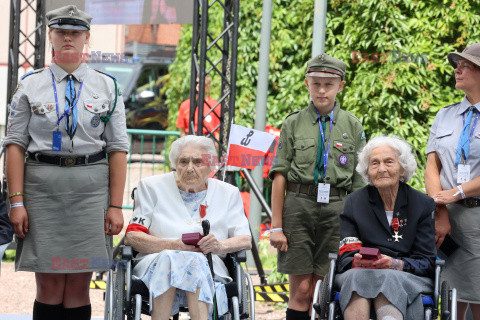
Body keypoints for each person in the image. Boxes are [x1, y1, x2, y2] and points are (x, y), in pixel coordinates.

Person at [4, 5, 129, 320]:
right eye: (61, 31)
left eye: (75, 32)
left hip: (91, 191)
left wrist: (116, 205)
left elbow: (117, 148)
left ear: (87, 37)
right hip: (41, 189)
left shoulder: (108, 86)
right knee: (47, 282)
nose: (68, 38)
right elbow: (15, 145)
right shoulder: (29, 85)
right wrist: (16, 201)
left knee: (78, 284)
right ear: (51, 36)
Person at [268, 53, 366, 320]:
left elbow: (358, 184)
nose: (322, 90)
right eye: (316, 83)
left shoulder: (352, 125)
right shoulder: (293, 122)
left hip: (337, 209)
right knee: (301, 291)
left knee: (325, 289)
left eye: (329, 84)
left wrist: (360, 229)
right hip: (299, 207)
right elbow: (280, 176)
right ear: (307, 84)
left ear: (341, 86)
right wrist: (276, 226)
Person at [124, 135, 251, 320]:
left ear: (210, 165)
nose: (190, 168)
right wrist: (174, 246)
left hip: (211, 268)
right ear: (175, 163)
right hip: (155, 265)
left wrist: (219, 246)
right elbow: (132, 237)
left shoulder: (228, 193)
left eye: (198, 162)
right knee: (174, 257)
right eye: (183, 161)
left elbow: (245, 239)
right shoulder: (151, 187)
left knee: (196, 259)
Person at [336, 136, 436, 320]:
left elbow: (427, 262)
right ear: (367, 171)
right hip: (361, 273)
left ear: (402, 167)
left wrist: (395, 264)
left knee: (388, 277)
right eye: (374, 163)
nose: (382, 169)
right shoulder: (354, 202)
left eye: (389, 162)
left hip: (407, 275)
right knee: (357, 277)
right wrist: (357, 261)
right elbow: (346, 254)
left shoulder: (422, 204)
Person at [425, 43, 480, 320]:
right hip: (447, 220)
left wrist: (456, 193)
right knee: (449, 298)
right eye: (457, 64)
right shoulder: (444, 115)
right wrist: (440, 210)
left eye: (465, 65)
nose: (457, 69)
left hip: (477, 217)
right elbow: (432, 166)